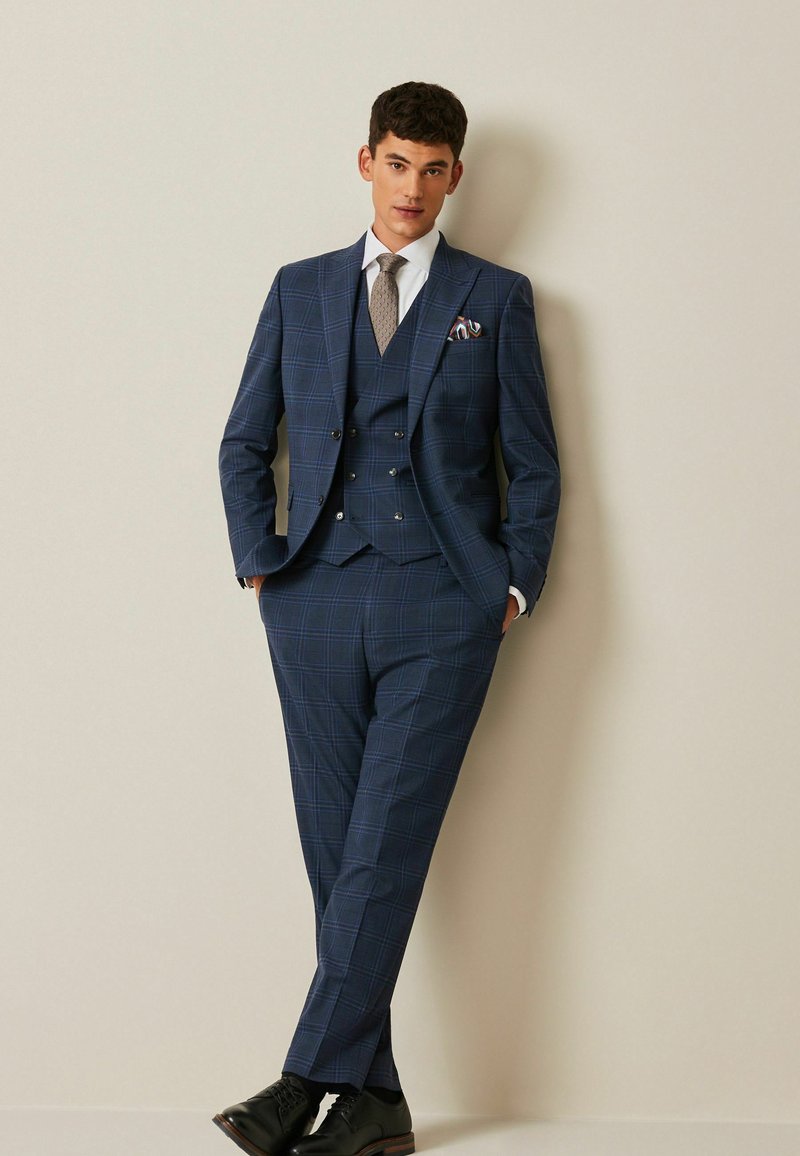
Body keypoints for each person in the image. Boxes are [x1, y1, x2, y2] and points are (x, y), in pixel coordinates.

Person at [214, 81, 560, 1156]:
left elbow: (534, 461)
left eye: (433, 169)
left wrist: (512, 585)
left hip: (443, 604)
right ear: (366, 161)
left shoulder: (494, 297)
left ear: (454, 176)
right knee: (337, 850)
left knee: (383, 844)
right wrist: (261, 568)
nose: (413, 187)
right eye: (397, 163)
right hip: (312, 596)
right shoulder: (299, 288)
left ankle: (303, 1078)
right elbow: (244, 440)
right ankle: (378, 1106)